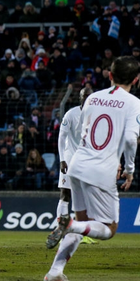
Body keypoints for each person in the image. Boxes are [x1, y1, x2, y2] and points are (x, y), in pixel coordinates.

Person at [43, 56, 140, 281]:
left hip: (78, 167)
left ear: (110, 75)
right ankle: (69, 225)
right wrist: (129, 169)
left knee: (84, 222)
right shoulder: (135, 103)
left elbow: (89, 136)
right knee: (108, 229)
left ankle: (55, 272)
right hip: (101, 171)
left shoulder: (92, 99)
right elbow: (130, 139)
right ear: (136, 80)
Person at [46, 86, 95, 249]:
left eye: (90, 96)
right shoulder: (71, 114)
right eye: (85, 96)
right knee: (65, 193)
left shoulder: (97, 116)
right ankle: (60, 227)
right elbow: (62, 137)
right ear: (80, 98)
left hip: (87, 162)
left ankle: (85, 233)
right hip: (70, 159)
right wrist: (62, 159)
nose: (87, 98)